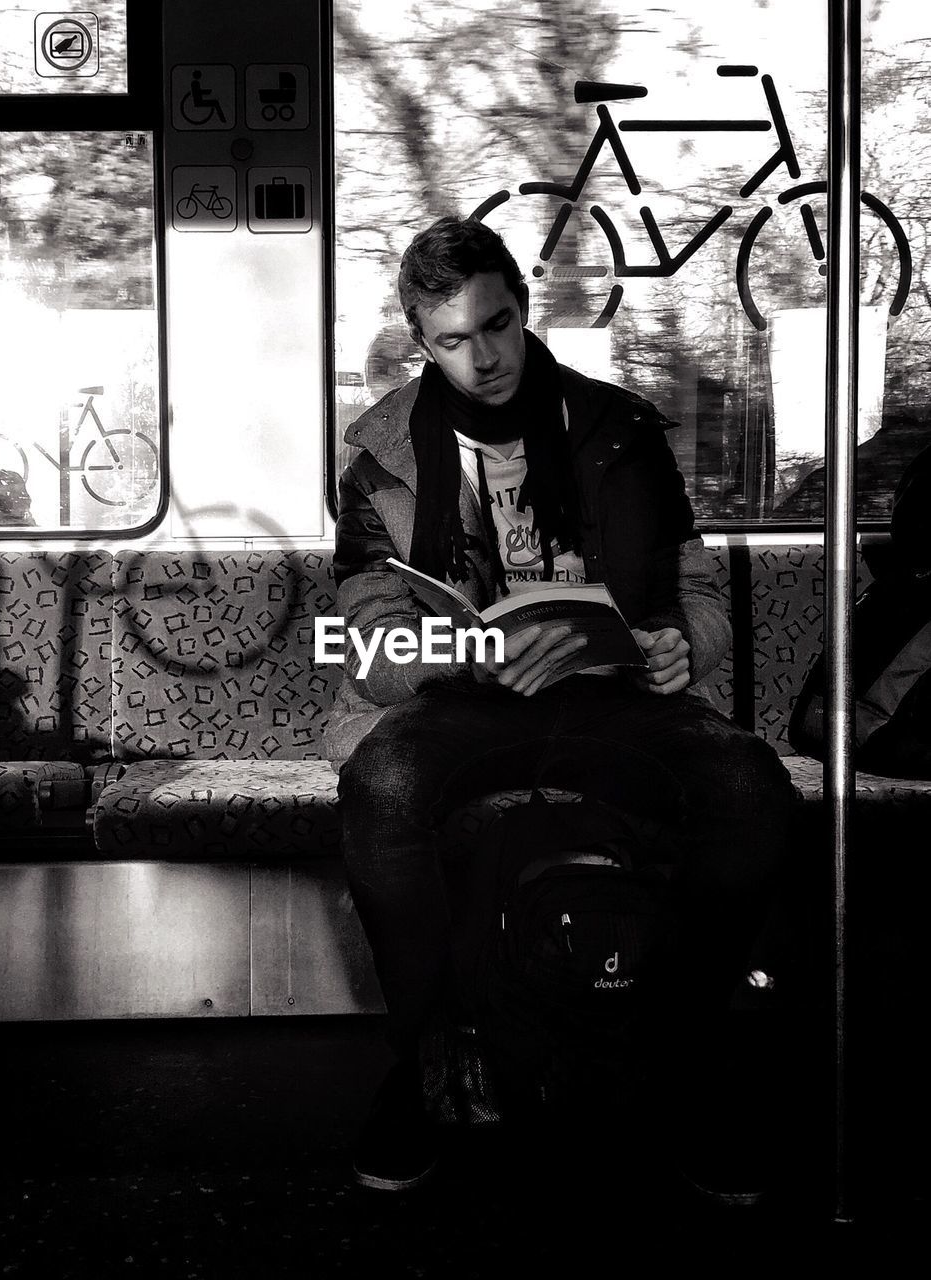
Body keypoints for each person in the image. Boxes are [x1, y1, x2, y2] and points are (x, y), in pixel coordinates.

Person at [324, 215, 797, 1196]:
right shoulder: (376, 457)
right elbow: (369, 650)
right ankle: (422, 1063)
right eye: (451, 340)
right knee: (382, 783)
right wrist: (465, 649)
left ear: (522, 309)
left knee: (751, 787)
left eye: (495, 326)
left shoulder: (623, 428)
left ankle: (684, 1059)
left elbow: (699, 601)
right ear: (422, 342)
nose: (482, 357)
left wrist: (678, 646)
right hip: (467, 694)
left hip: (617, 692)